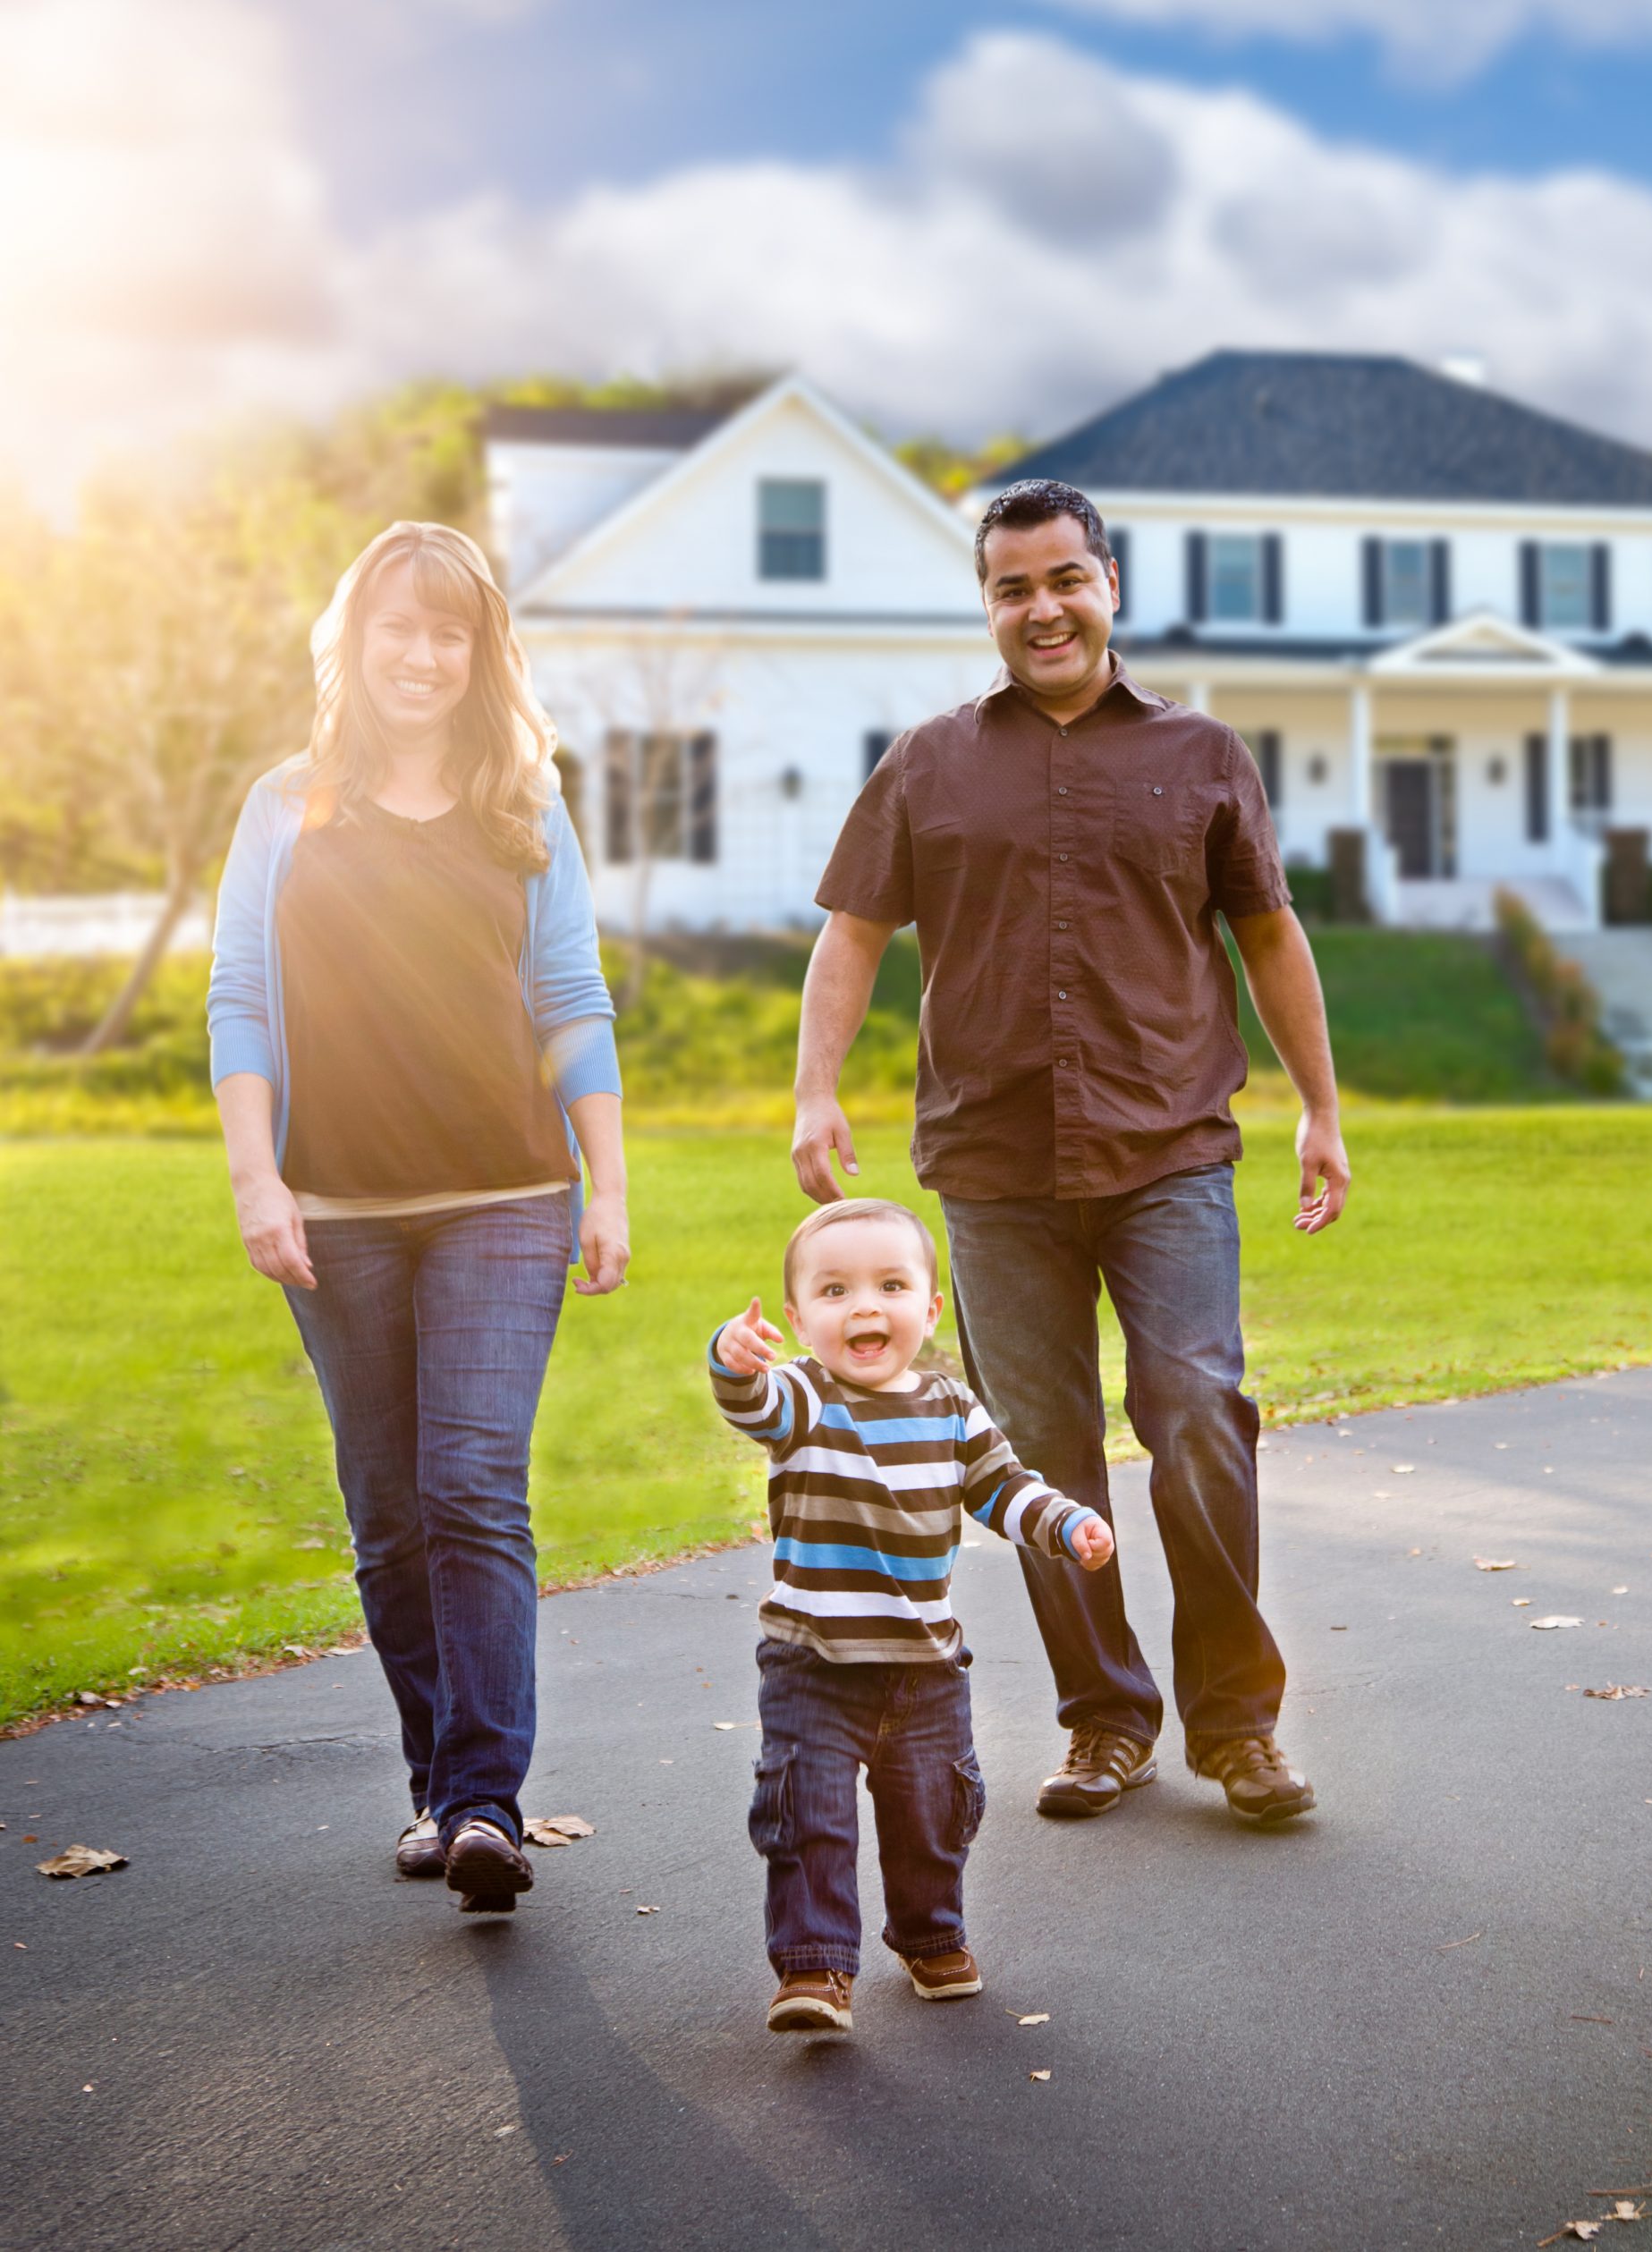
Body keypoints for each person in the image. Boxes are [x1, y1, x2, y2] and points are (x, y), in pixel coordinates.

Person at [791, 477, 1349, 1828]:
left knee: (1197, 1416)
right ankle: (1105, 1720)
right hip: (992, 1169)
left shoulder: (1204, 755)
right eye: (1010, 586)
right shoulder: (928, 761)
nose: (1040, 608)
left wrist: (1320, 1107)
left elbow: (1268, 934)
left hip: (1169, 1148)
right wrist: (816, 1091)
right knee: (1041, 1457)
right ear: (988, 604)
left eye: (1063, 579)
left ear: (1111, 587)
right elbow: (854, 932)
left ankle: (1239, 1727)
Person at [208, 520, 628, 1917]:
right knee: (388, 1510)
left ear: (480, 652)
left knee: (468, 1482)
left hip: (506, 1195)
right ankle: (438, 1785)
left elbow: (570, 996)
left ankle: (487, 1801)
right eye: (400, 625)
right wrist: (257, 1176)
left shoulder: (525, 804)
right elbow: (241, 1004)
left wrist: (606, 1180)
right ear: (356, 637)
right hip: (335, 1208)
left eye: (451, 632)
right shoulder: (285, 805)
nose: (424, 654)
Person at [707, 1198, 1114, 2033]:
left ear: (930, 1309)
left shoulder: (951, 1408)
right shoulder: (806, 1398)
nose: (864, 1306)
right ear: (798, 1318)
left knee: (932, 1814)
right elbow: (753, 1405)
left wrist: (1066, 1523)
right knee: (807, 1816)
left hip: (924, 1666)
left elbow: (1003, 1488)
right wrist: (733, 1360)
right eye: (834, 1290)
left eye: (890, 1285)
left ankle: (930, 1935)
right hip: (812, 1663)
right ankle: (815, 1968)